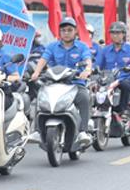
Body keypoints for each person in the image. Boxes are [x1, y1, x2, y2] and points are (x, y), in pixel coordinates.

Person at [29, 17, 93, 145]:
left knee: (84, 97)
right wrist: (36, 72)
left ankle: (83, 131)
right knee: (40, 97)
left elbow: (87, 60)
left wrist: (87, 70)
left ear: (75, 31)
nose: (66, 33)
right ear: (60, 32)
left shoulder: (82, 47)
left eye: (69, 30)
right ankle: (37, 131)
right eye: (63, 30)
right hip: (54, 84)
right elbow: (43, 59)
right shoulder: (52, 46)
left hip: (75, 84)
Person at [95, 21, 130, 116]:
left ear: (123, 34)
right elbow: (98, 65)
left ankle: (123, 110)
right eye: (113, 33)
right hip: (109, 79)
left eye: (118, 33)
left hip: (126, 78)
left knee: (125, 85)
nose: (115, 35)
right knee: (95, 87)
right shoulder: (105, 50)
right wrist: (92, 70)